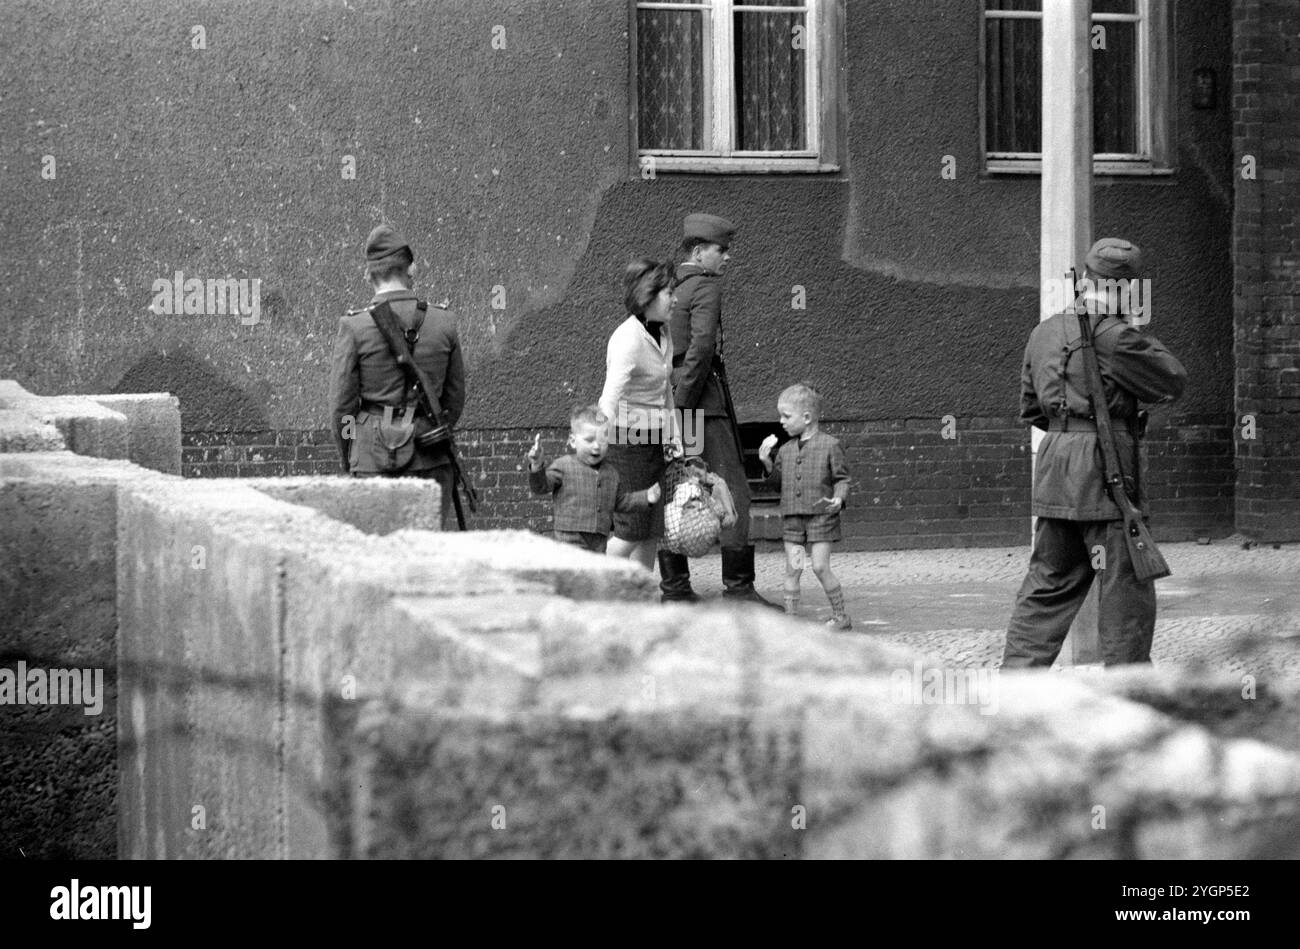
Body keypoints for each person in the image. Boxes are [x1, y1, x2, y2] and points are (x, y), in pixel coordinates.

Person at [1002, 238, 1187, 668]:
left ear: (1085, 279)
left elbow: (1032, 408)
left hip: (1056, 475)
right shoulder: (1119, 337)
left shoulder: (1044, 332)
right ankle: (1129, 694)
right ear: (1128, 290)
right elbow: (1173, 380)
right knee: (1125, 591)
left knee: (1047, 586)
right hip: (1107, 479)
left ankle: (1012, 687)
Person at [660, 212, 778, 607]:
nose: (727, 258)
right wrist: (685, 406)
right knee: (734, 492)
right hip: (702, 403)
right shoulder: (706, 286)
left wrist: (674, 408)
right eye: (721, 250)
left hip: (677, 399)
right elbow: (701, 348)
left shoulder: (673, 288)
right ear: (699, 251)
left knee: (679, 488)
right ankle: (739, 591)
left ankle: (675, 591)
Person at [328, 224, 465, 525]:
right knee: (427, 554)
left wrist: (352, 453)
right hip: (432, 456)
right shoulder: (444, 323)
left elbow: (343, 409)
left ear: (368, 275)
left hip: (370, 459)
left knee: (375, 555)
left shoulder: (354, 327)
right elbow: (454, 400)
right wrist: (432, 431)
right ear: (411, 269)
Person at [599, 258, 680, 570]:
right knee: (631, 531)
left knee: (650, 531)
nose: (675, 299)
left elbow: (665, 389)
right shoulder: (628, 339)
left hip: (653, 442)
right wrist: (593, 444)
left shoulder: (664, 332)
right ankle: (589, 582)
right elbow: (609, 398)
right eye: (669, 293)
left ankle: (643, 597)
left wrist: (675, 438)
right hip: (625, 444)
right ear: (649, 295)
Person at [758, 383, 853, 629]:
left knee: (820, 566)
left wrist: (839, 498)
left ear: (807, 417)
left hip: (821, 517)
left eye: (786, 416)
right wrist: (767, 463)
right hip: (793, 520)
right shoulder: (785, 450)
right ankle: (791, 623)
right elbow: (777, 483)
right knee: (794, 568)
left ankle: (841, 617)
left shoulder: (830, 445)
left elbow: (842, 478)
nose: (781, 421)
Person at [526, 404, 662, 553]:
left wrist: (646, 497)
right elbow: (541, 486)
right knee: (576, 573)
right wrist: (537, 465)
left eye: (602, 440)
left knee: (595, 574)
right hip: (569, 539)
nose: (596, 446)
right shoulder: (563, 466)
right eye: (589, 440)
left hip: (599, 541)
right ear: (572, 440)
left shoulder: (611, 472)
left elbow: (620, 502)